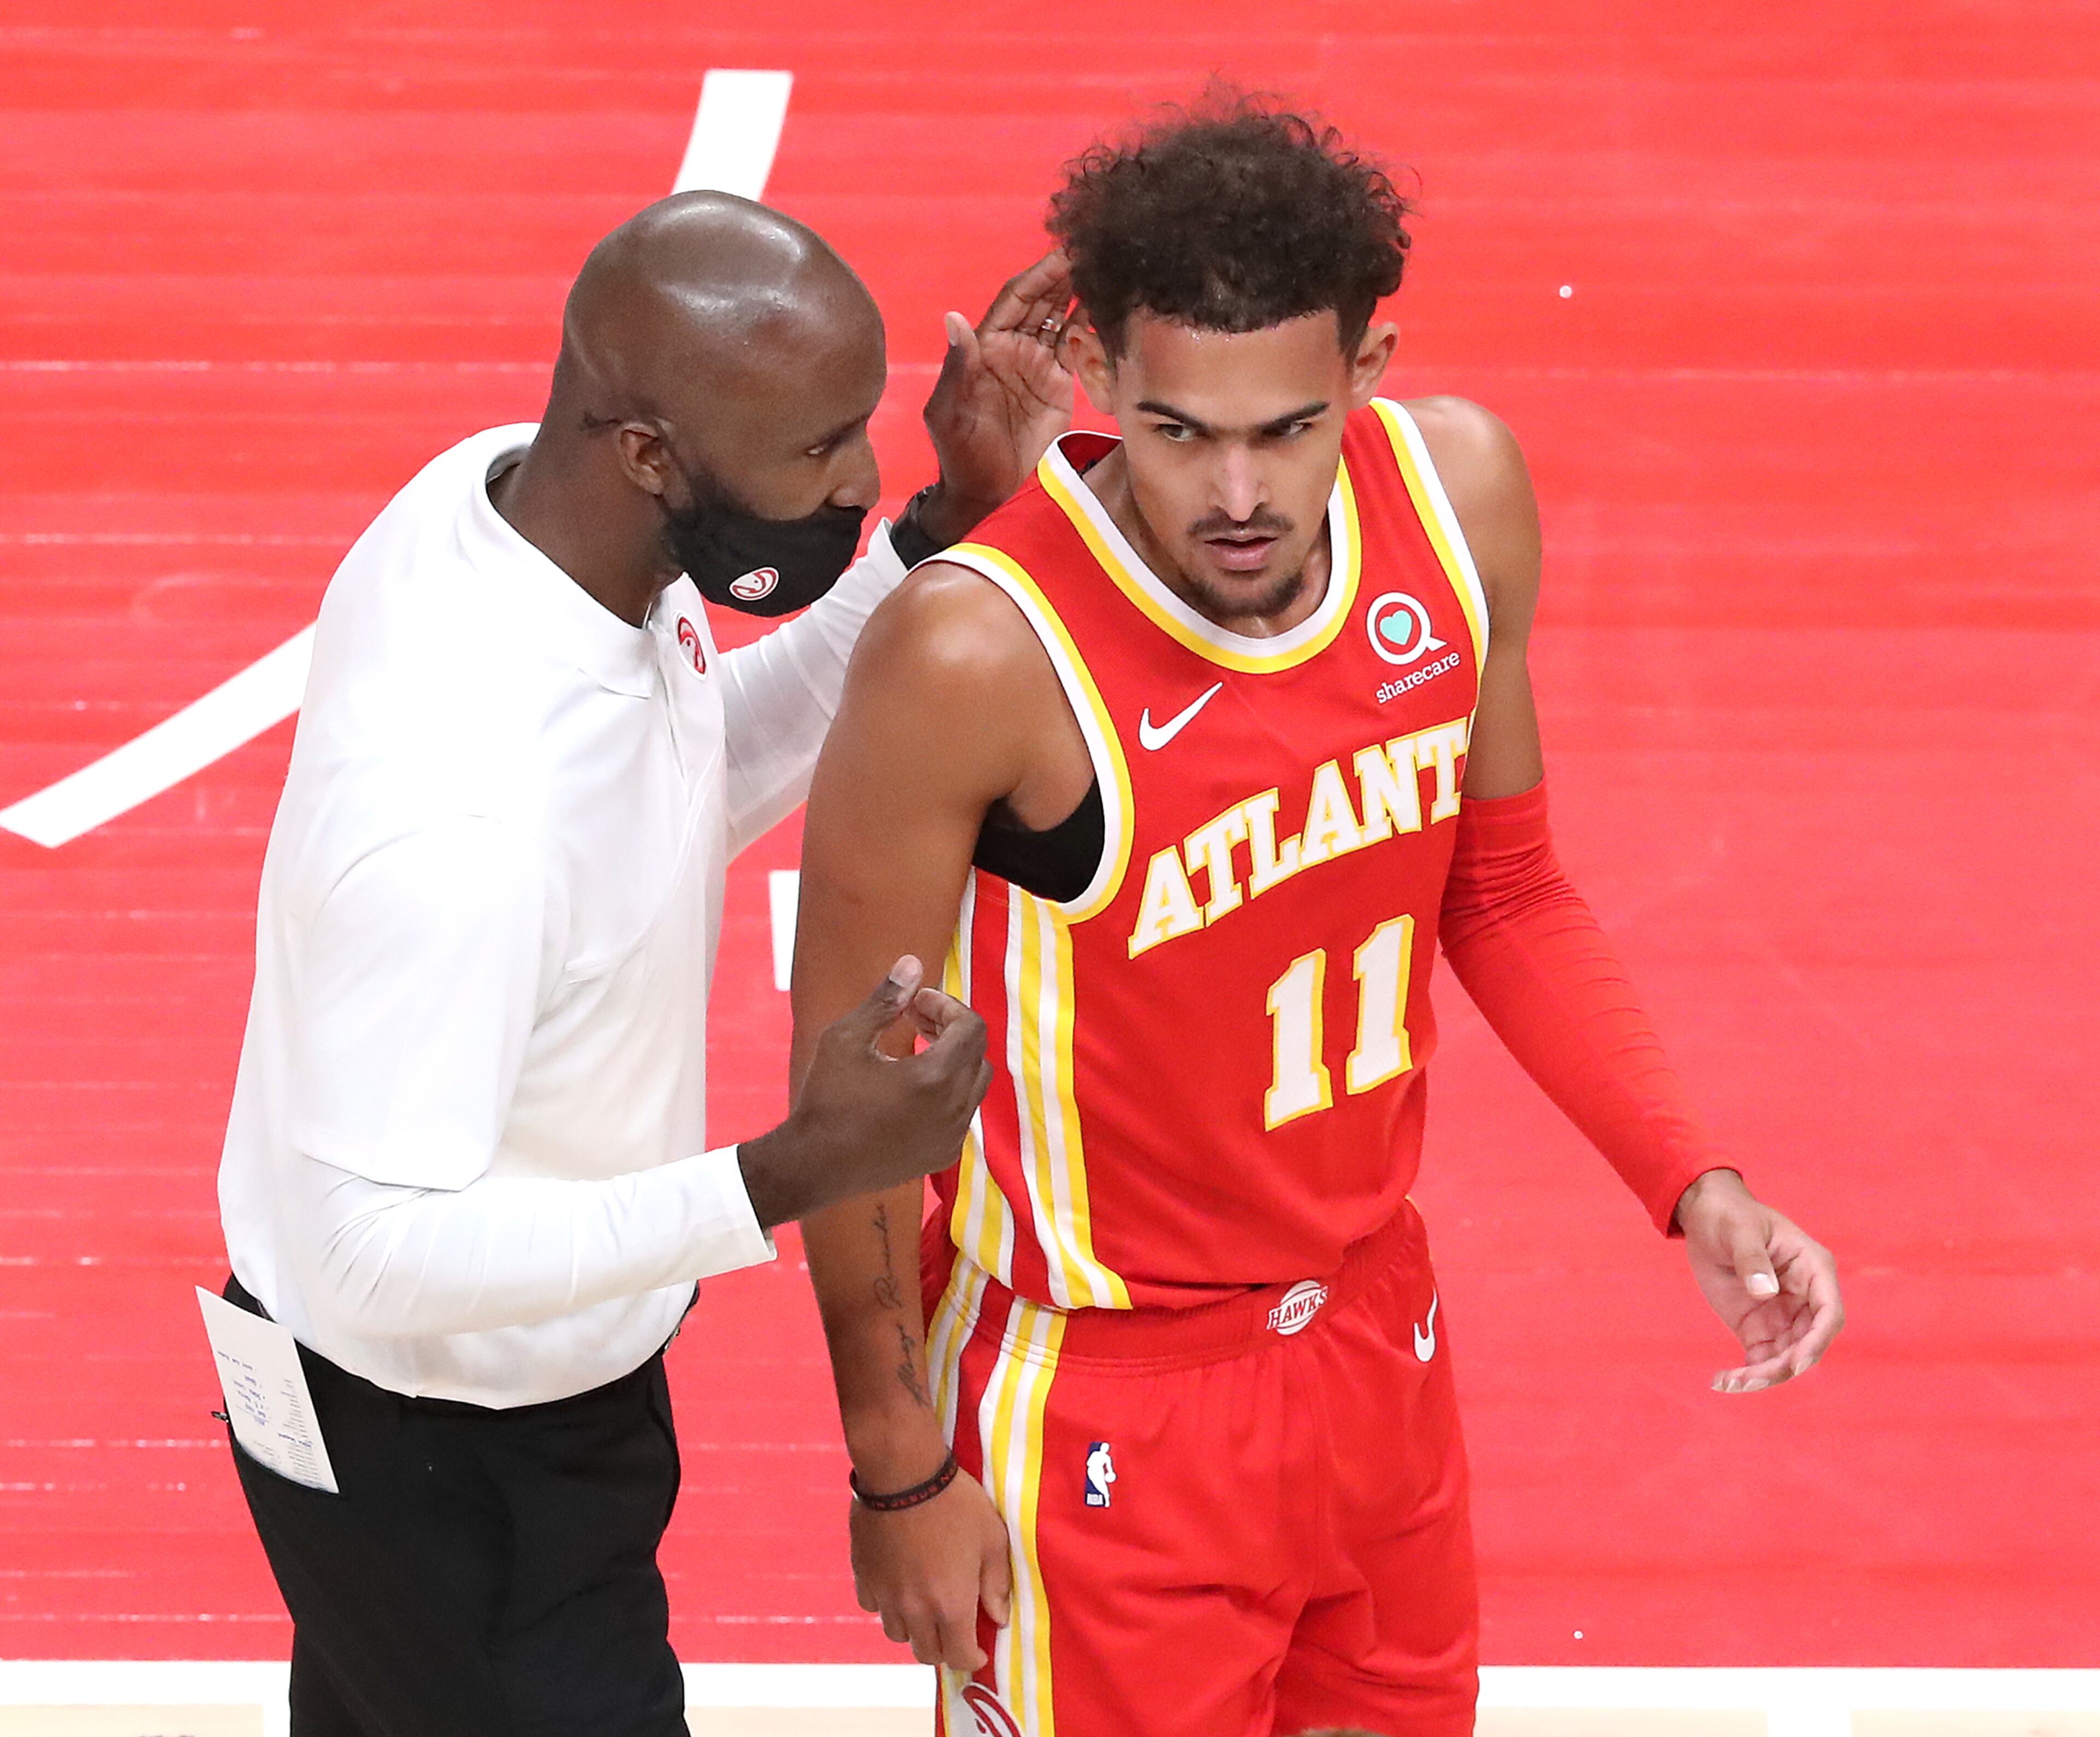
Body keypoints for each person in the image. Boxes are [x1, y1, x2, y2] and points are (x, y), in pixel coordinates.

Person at [788, 103, 1845, 1736]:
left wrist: (1688, 1174)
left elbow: (1502, 888)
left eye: (1284, 429)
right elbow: (848, 1112)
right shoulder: (974, 658)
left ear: (1370, 365)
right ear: (1107, 391)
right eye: (1173, 429)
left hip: (1375, 1347)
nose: (1232, 491)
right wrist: (898, 1467)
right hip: (1100, 1401)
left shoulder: (1460, 498)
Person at [213, 192, 1074, 1736]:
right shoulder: (460, 815)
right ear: (653, 454)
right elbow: (367, 1251)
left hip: (474, 1417)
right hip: (442, 1462)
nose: (855, 476)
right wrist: (788, 1174)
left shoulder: (531, 526)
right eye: (821, 453)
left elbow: (685, 775)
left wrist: (936, 527)